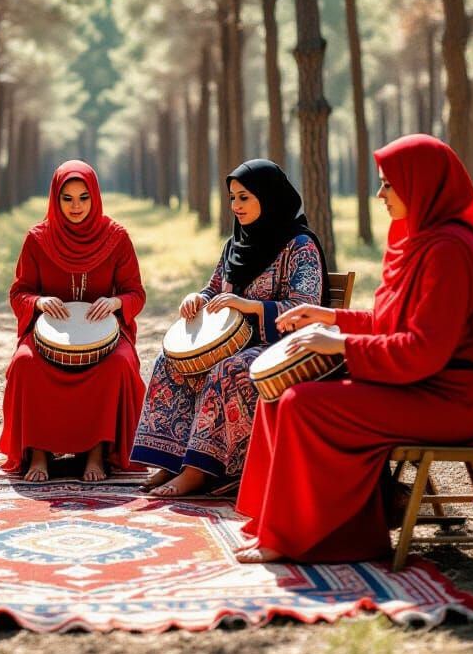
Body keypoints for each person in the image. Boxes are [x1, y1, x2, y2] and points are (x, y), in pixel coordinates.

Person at [233, 134, 473, 564]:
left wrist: (340, 344)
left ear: (423, 185)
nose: (380, 194)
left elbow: (423, 350)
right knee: (278, 397)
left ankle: (310, 536)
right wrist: (328, 317)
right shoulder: (424, 240)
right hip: (424, 385)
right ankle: (276, 524)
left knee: (304, 404)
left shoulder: (449, 251)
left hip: (450, 399)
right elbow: (392, 323)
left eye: (389, 184)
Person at [131, 160, 327, 498]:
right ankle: (171, 460)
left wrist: (249, 307)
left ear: (268, 197)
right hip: (235, 342)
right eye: (232, 198)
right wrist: (196, 298)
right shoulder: (236, 244)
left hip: (282, 346)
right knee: (172, 361)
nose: (235, 206)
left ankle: (198, 471)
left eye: (245, 198)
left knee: (228, 370)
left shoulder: (300, 246)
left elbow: (304, 310)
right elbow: (214, 290)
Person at [0, 160, 146, 482]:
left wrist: (116, 301)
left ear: (95, 197)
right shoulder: (37, 239)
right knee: (25, 364)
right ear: (55, 198)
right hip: (45, 335)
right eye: (67, 198)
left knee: (119, 365)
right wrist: (38, 301)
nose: (76, 206)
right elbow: (19, 292)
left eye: (84, 197)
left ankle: (96, 454)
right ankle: (38, 454)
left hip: (105, 335)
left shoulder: (116, 237)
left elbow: (136, 292)